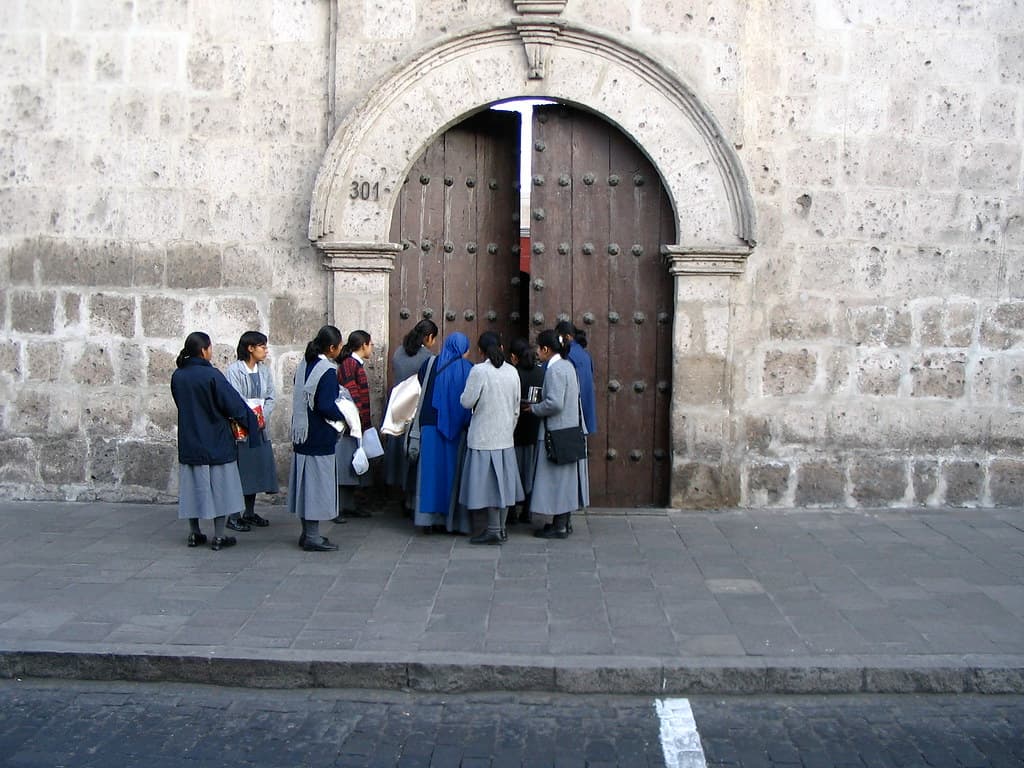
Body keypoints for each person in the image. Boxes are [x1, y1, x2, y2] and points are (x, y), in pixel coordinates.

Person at [170, 331, 261, 551]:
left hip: (190, 439)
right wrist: (251, 422)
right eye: (210, 348)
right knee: (221, 489)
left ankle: (194, 533)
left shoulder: (178, 376)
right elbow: (233, 403)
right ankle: (219, 535)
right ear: (203, 350)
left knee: (193, 488)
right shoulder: (212, 375)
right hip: (216, 440)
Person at [458, 332, 524, 544]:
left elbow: (467, 402)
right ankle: (501, 528)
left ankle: (494, 529)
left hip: (483, 437)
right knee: (503, 484)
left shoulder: (479, 371)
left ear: (480, 351)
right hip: (505, 436)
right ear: (502, 348)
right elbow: (516, 407)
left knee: (489, 486)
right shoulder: (512, 372)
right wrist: (509, 428)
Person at [526, 329, 590, 539]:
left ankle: (559, 525)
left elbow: (554, 403)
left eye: (538, 348)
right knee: (564, 480)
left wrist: (534, 408)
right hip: (568, 430)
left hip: (556, 432)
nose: (536, 352)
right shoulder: (567, 366)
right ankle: (563, 521)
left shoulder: (555, 370)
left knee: (556, 479)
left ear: (545, 349)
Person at [287, 325, 347, 552]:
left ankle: (306, 532)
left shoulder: (305, 364)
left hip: (302, 433)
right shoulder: (327, 370)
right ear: (332, 348)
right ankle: (312, 536)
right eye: (339, 346)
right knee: (316, 487)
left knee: (305, 486)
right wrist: (344, 415)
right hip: (319, 435)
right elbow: (325, 405)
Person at [413, 331, 472, 534]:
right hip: (459, 428)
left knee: (430, 474)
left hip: (431, 423)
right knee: (454, 474)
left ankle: (427, 520)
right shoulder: (469, 368)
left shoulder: (430, 364)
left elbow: (422, 384)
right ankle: (453, 522)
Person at [383, 319, 438, 513]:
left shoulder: (399, 352)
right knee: (412, 454)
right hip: (415, 411)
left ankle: (401, 496)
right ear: (428, 337)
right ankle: (411, 500)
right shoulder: (428, 358)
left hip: (397, 409)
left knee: (398, 452)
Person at [225, 330, 278, 531]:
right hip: (242, 427)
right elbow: (235, 399)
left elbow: (271, 396)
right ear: (250, 348)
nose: (265, 351)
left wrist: (263, 416)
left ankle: (249, 511)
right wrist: (250, 418)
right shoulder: (234, 371)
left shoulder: (264, 371)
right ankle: (233, 514)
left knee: (255, 468)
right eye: (262, 347)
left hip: (261, 426)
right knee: (240, 470)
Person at [335, 329, 374, 522]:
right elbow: (352, 394)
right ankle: (340, 507)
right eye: (370, 344)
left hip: (358, 424)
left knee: (352, 465)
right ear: (363, 345)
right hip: (351, 425)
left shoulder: (353, 363)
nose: (372, 348)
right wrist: (359, 418)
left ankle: (349, 505)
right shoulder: (349, 364)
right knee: (345, 464)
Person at [508, 337, 544, 527]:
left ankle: (512, 511)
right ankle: (528, 510)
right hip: (534, 427)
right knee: (530, 469)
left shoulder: (513, 373)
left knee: (513, 469)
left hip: (514, 429)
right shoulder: (541, 373)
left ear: (515, 357)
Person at [554, 320, 598, 436]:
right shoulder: (585, 354)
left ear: (567, 337)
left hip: (574, 412)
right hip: (586, 407)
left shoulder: (567, 354)